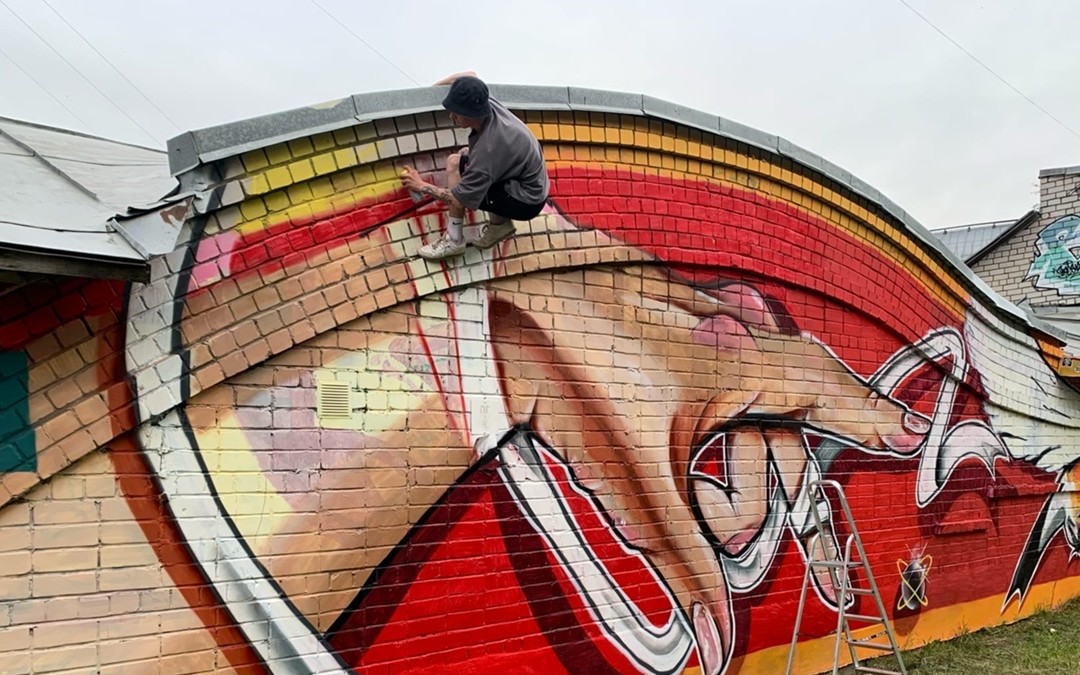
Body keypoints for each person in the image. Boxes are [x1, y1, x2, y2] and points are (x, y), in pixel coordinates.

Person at [400, 72, 550, 260]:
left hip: (526, 202)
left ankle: (454, 240)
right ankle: (499, 225)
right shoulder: (484, 100)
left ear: (472, 114)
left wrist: (420, 185)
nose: (452, 117)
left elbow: (457, 198)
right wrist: (428, 91)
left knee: (465, 177)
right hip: (528, 182)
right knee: (456, 161)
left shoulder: (489, 150)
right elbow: (470, 74)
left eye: (457, 113)